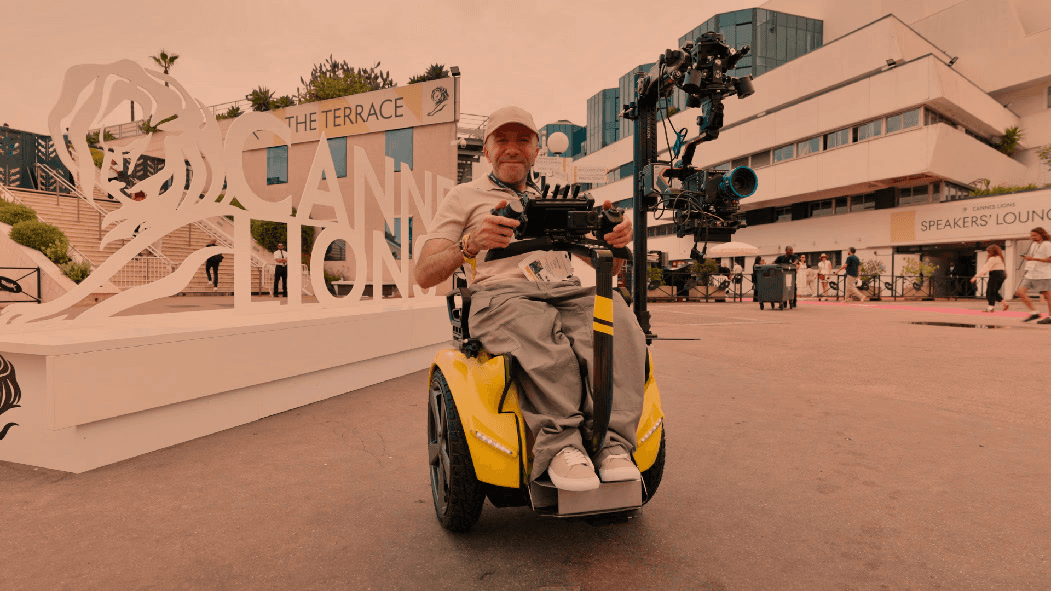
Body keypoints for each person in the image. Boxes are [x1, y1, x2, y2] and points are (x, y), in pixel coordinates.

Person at [414, 106, 643, 493]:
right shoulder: (464, 196)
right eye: (502, 140)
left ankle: (613, 444)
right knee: (539, 334)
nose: (512, 149)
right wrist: (471, 243)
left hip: (567, 291)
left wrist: (615, 240)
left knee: (618, 317)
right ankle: (562, 447)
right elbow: (424, 273)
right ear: (486, 151)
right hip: (501, 295)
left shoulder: (556, 197)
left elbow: (614, 269)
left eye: (523, 140)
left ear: (537, 151)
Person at [1015, 227, 1051, 323]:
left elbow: (1050, 259)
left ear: (1042, 235)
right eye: (1031, 235)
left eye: (1035, 235)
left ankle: (1050, 318)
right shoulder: (1034, 244)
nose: (1032, 237)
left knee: (1048, 295)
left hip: (1042, 274)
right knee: (1020, 292)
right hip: (1031, 273)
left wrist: (1033, 259)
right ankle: (1035, 313)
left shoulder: (1047, 244)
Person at [970, 244, 1007, 313]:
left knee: (990, 292)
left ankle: (990, 308)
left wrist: (975, 277)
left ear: (992, 252)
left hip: (995, 275)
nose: (988, 253)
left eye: (989, 252)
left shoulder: (992, 258)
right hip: (1001, 275)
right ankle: (1004, 303)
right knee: (994, 291)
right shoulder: (1000, 258)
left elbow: (985, 269)